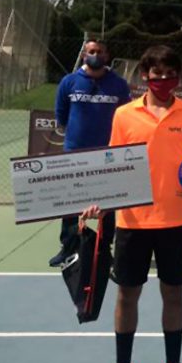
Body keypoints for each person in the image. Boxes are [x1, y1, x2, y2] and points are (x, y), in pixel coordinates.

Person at [83, 45, 182, 363]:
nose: (164, 82)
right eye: (157, 77)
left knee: (173, 293)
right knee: (127, 294)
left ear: (179, 78)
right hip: (132, 221)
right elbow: (112, 166)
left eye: (171, 76)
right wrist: (100, 201)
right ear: (144, 77)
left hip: (176, 220)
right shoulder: (124, 115)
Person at [49, 39, 130, 267]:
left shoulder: (119, 84)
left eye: (100, 51)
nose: (95, 54)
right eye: (91, 51)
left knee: (108, 204)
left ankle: (104, 249)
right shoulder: (70, 81)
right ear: (84, 54)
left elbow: (126, 114)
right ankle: (69, 246)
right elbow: (61, 113)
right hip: (74, 151)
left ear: (107, 55)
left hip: (108, 153)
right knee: (70, 203)